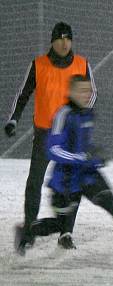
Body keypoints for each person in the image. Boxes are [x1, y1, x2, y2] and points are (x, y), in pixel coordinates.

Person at [14, 75, 113, 276]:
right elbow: (53, 149)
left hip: (88, 176)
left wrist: (95, 154)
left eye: (89, 91)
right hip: (65, 181)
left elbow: (83, 146)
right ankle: (27, 230)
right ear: (70, 92)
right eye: (82, 91)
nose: (87, 95)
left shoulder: (89, 114)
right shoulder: (63, 114)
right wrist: (82, 157)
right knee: (60, 225)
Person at [5, 22, 96, 254]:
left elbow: (93, 93)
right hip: (45, 134)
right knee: (35, 183)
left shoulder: (82, 64)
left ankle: (66, 232)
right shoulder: (38, 65)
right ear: (52, 41)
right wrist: (13, 119)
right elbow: (23, 94)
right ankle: (28, 231)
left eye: (68, 38)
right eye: (60, 38)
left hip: (70, 137)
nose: (65, 42)